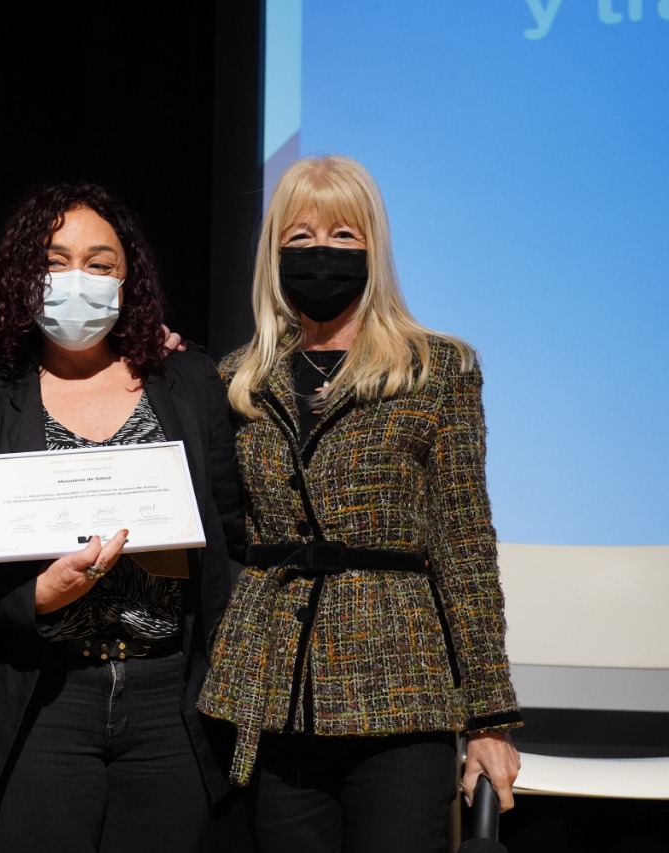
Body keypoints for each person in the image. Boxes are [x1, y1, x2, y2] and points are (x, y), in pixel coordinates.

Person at [197, 155, 522, 853]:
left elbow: (465, 544)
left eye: (344, 236)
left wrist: (489, 718)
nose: (322, 252)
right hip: (274, 691)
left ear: (374, 248)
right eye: (301, 236)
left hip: (401, 689)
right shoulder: (235, 380)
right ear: (274, 251)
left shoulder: (435, 369)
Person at [0, 181, 246, 853]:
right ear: (23, 278)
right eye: (54, 262)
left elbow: (231, 535)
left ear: (127, 279)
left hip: (170, 702)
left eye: (99, 263)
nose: (76, 280)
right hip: (45, 697)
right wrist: (36, 597)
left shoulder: (187, 381)